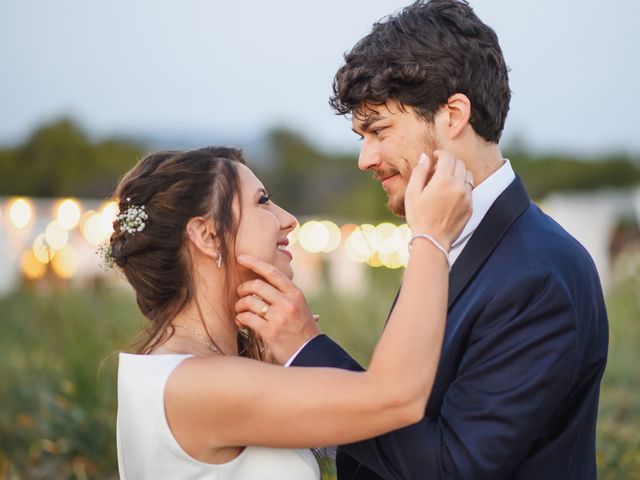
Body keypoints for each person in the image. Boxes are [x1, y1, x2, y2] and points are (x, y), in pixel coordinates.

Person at [240, 1, 609, 479]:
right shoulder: (443, 239)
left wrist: (306, 349)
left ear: (453, 114)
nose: (365, 159)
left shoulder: (538, 275)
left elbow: (450, 466)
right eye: (360, 138)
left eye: (378, 130)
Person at [111, 146, 473, 479]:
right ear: (206, 236)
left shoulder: (180, 371)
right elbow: (396, 397)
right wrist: (431, 238)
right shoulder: (198, 383)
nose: (288, 220)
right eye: (263, 202)